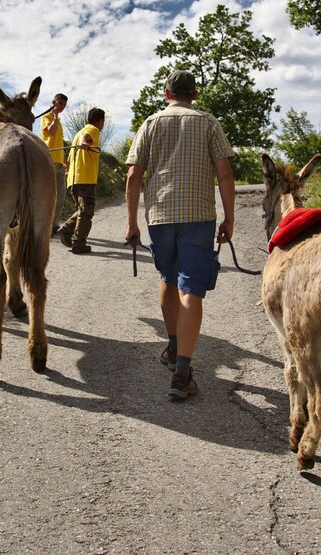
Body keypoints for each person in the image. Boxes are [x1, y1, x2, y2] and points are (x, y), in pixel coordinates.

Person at [124, 70, 235, 401]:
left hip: (160, 217)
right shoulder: (209, 122)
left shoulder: (151, 123)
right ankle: (182, 373)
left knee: (168, 280)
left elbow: (133, 175)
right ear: (194, 95)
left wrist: (132, 223)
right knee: (192, 290)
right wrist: (229, 218)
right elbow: (225, 173)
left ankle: (173, 349)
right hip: (199, 217)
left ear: (167, 93)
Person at [57, 107, 105, 254]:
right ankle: (78, 242)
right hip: (86, 178)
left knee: (82, 210)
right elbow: (87, 137)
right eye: (103, 122)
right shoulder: (92, 130)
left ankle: (66, 230)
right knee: (86, 212)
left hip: (73, 179)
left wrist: (68, 168)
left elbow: (70, 158)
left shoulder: (77, 134)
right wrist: (86, 142)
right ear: (100, 121)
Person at [38, 93, 69, 235]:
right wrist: (55, 117)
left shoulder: (58, 120)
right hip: (48, 162)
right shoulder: (47, 118)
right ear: (53, 102)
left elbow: (58, 141)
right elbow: (51, 132)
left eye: (64, 104)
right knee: (47, 196)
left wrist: (64, 160)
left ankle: (54, 224)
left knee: (61, 195)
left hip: (59, 163)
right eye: (60, 103)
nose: (62, 106)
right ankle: (44, 225)